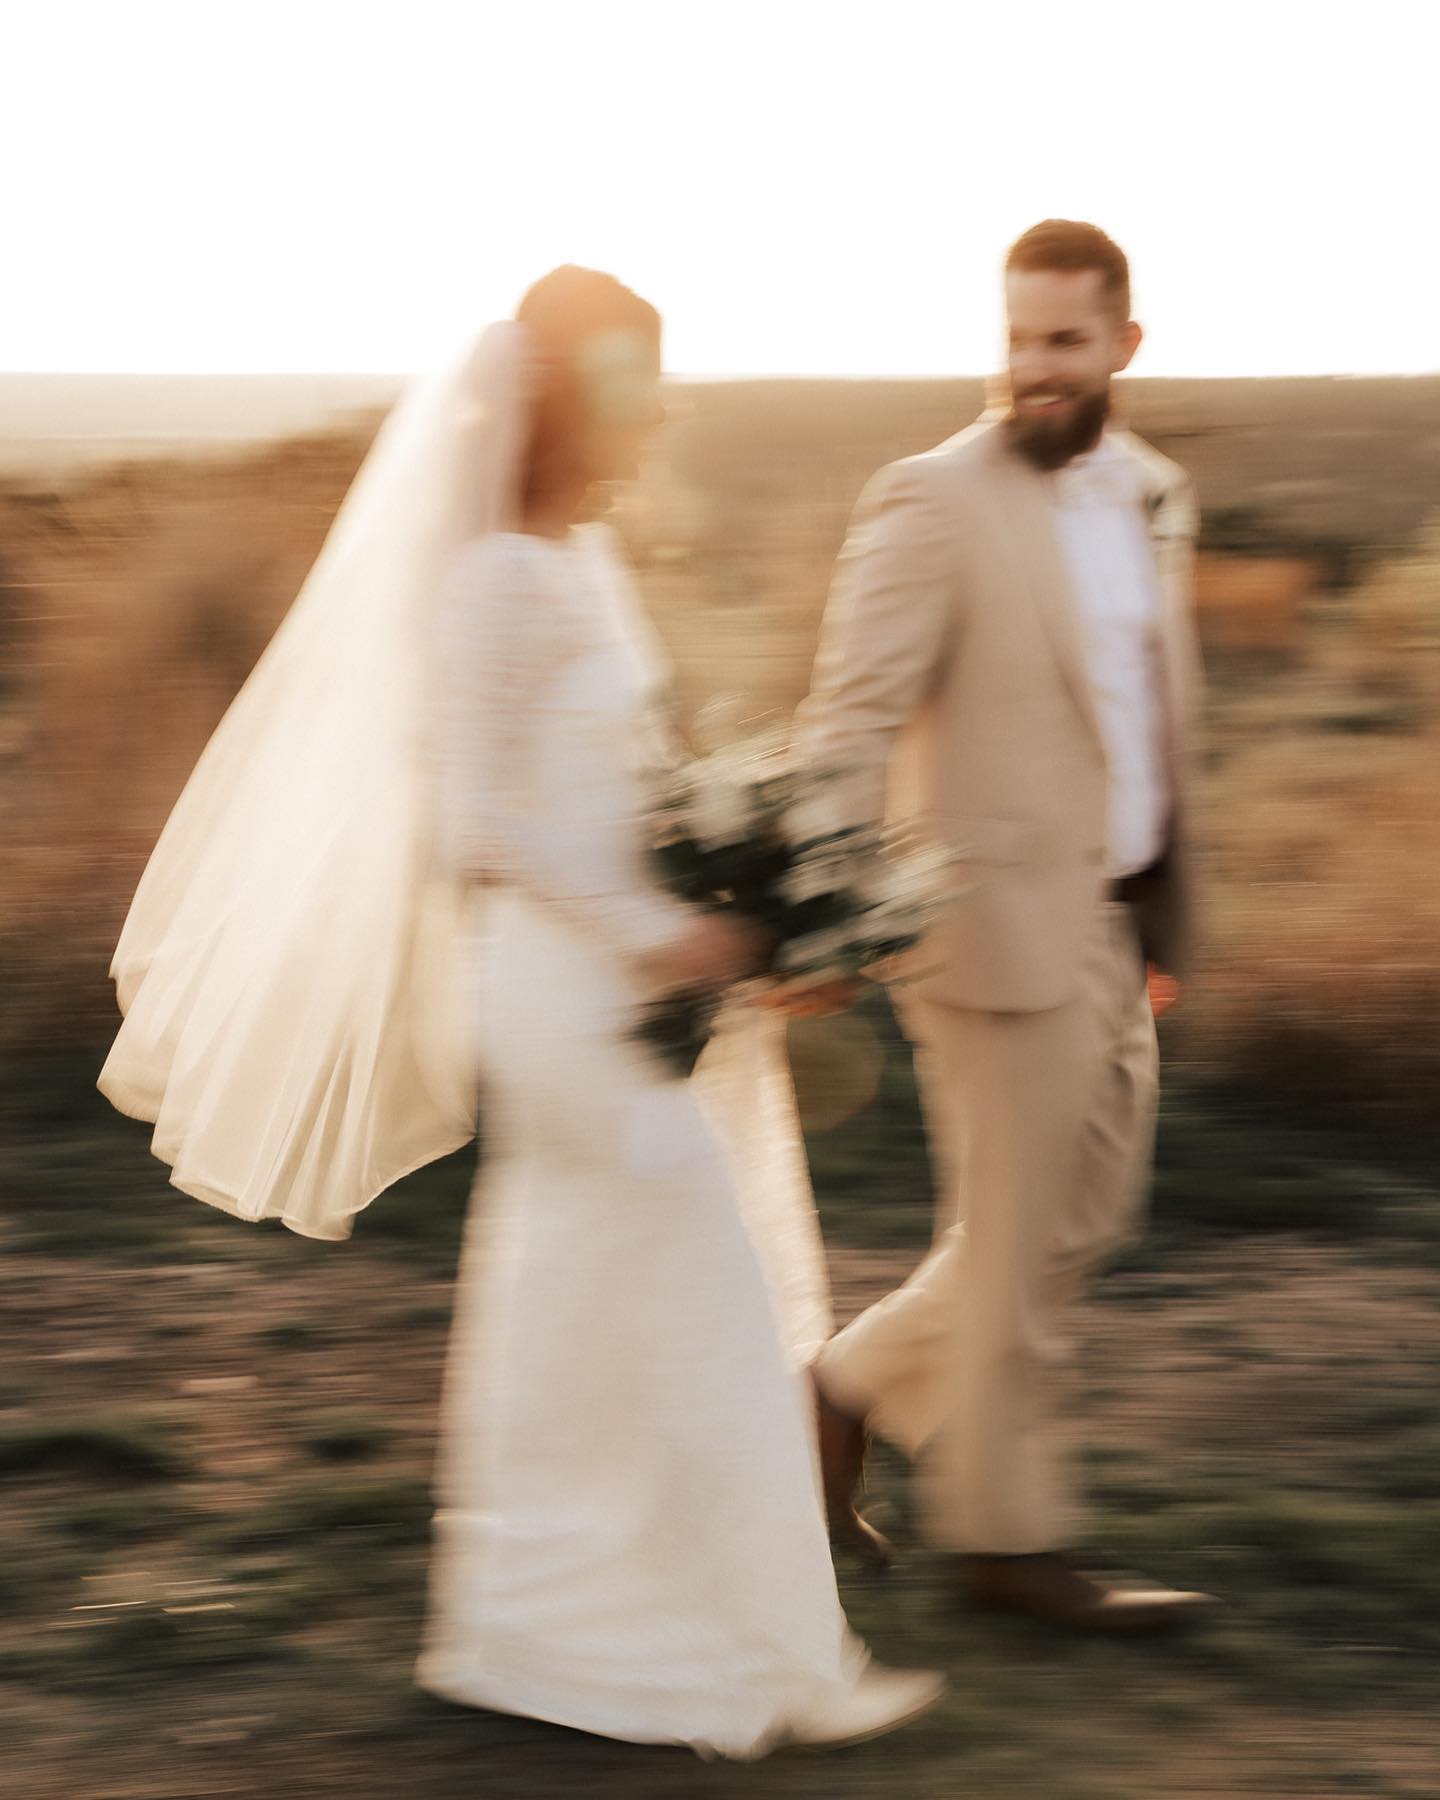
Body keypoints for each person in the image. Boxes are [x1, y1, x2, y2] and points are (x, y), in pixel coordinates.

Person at [98, 265, 941, 1756]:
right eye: (634, 383)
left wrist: (728, 864)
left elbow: (610, 781)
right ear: (565, 401)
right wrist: (657, 928)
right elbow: (480, 818)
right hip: (561, 996)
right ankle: (695, 1642)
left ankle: (546, 1629)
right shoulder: (492, 575)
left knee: (588, 1288)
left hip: (623, 984)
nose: (657, 410)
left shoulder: (582, 556)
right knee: (692, 1281)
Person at [795, 222, 1214, 1632]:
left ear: (1123, 349)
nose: (1032, 370)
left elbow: (1150, 725)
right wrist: (828, 914)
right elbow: (850, 720)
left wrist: (1161, 912)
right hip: (985, 927)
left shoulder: (1158, 492)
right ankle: (1008, 1547)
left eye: (1064, 343)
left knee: (1080, 1223)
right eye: (1017, 337)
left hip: (1115, 923)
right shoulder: (931, 498)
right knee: (1019, 1239)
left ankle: (841, 1390)